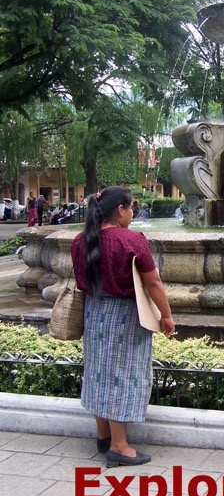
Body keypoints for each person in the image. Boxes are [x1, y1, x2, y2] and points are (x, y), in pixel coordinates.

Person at [71, 186, 175, 468]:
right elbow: (153, 283)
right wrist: (166, 316)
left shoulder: (81, 240)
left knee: (98, 371)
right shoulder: (132, 240)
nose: (133, 213)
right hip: (125, 317)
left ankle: (103, 436)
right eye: (131, 208)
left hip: (94, 315)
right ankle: (119, 446)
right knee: (123, 375)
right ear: (121, 210)